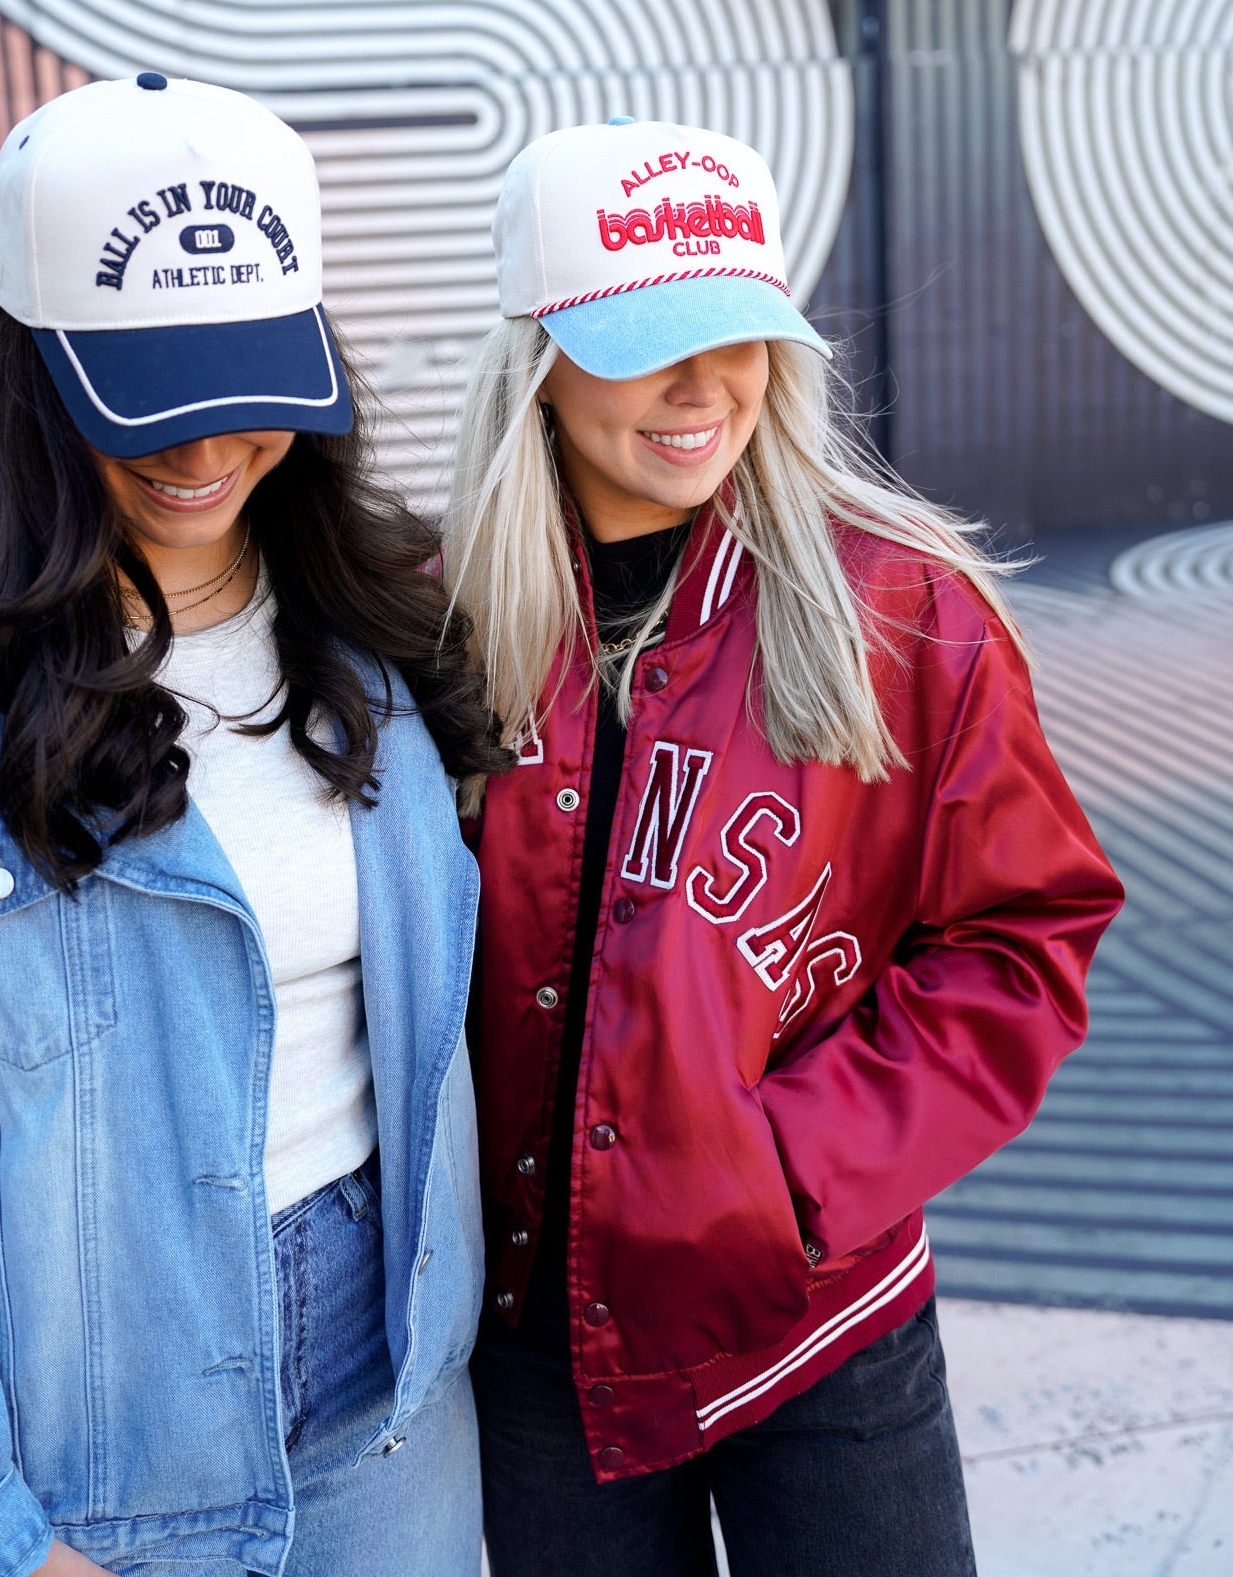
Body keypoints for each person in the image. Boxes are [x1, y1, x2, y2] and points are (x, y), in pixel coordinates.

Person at [445, 117, 1124, 1577]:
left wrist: (789, 1172)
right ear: (537, 357)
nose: (706, 386)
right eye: (648, 343)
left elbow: (1023, 941)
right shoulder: (431, 625)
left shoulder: (903, 612)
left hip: (819, 1324)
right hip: (533, 1344)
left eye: (739, 334)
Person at [0, 76, 503, 1577]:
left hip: (387, 1416)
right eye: (146, 395)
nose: (208, 443)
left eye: (249, 377)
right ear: (29, 379)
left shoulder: (379, 631)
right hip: (71, 1454)